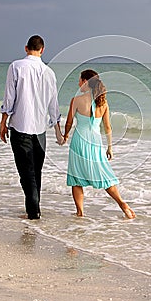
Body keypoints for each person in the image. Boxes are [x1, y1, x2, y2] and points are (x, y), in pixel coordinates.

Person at [0, 35, 62, 220]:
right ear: (42, 50)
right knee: (36, 172)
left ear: (26, 48)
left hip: (21, 127)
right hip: (40, 131)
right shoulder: (49, 73)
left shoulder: (16, 66)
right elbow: (54, 105)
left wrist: (3, 122)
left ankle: (33, 212)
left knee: (26, 173)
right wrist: (58, 131)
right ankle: (35, 208)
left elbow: (9, 98)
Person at [62, 69, 136, 219]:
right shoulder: (103, 102)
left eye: (80, 80)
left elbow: (69, 122)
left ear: (85, 82)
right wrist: (110, 147)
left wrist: (66, 135)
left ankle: (80, 213)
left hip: (79, 142)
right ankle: (122, 204)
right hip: (96, 143)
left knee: (76, 179)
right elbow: (108, 127)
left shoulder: (76, 100)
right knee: (104, 176)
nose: (78, 84)